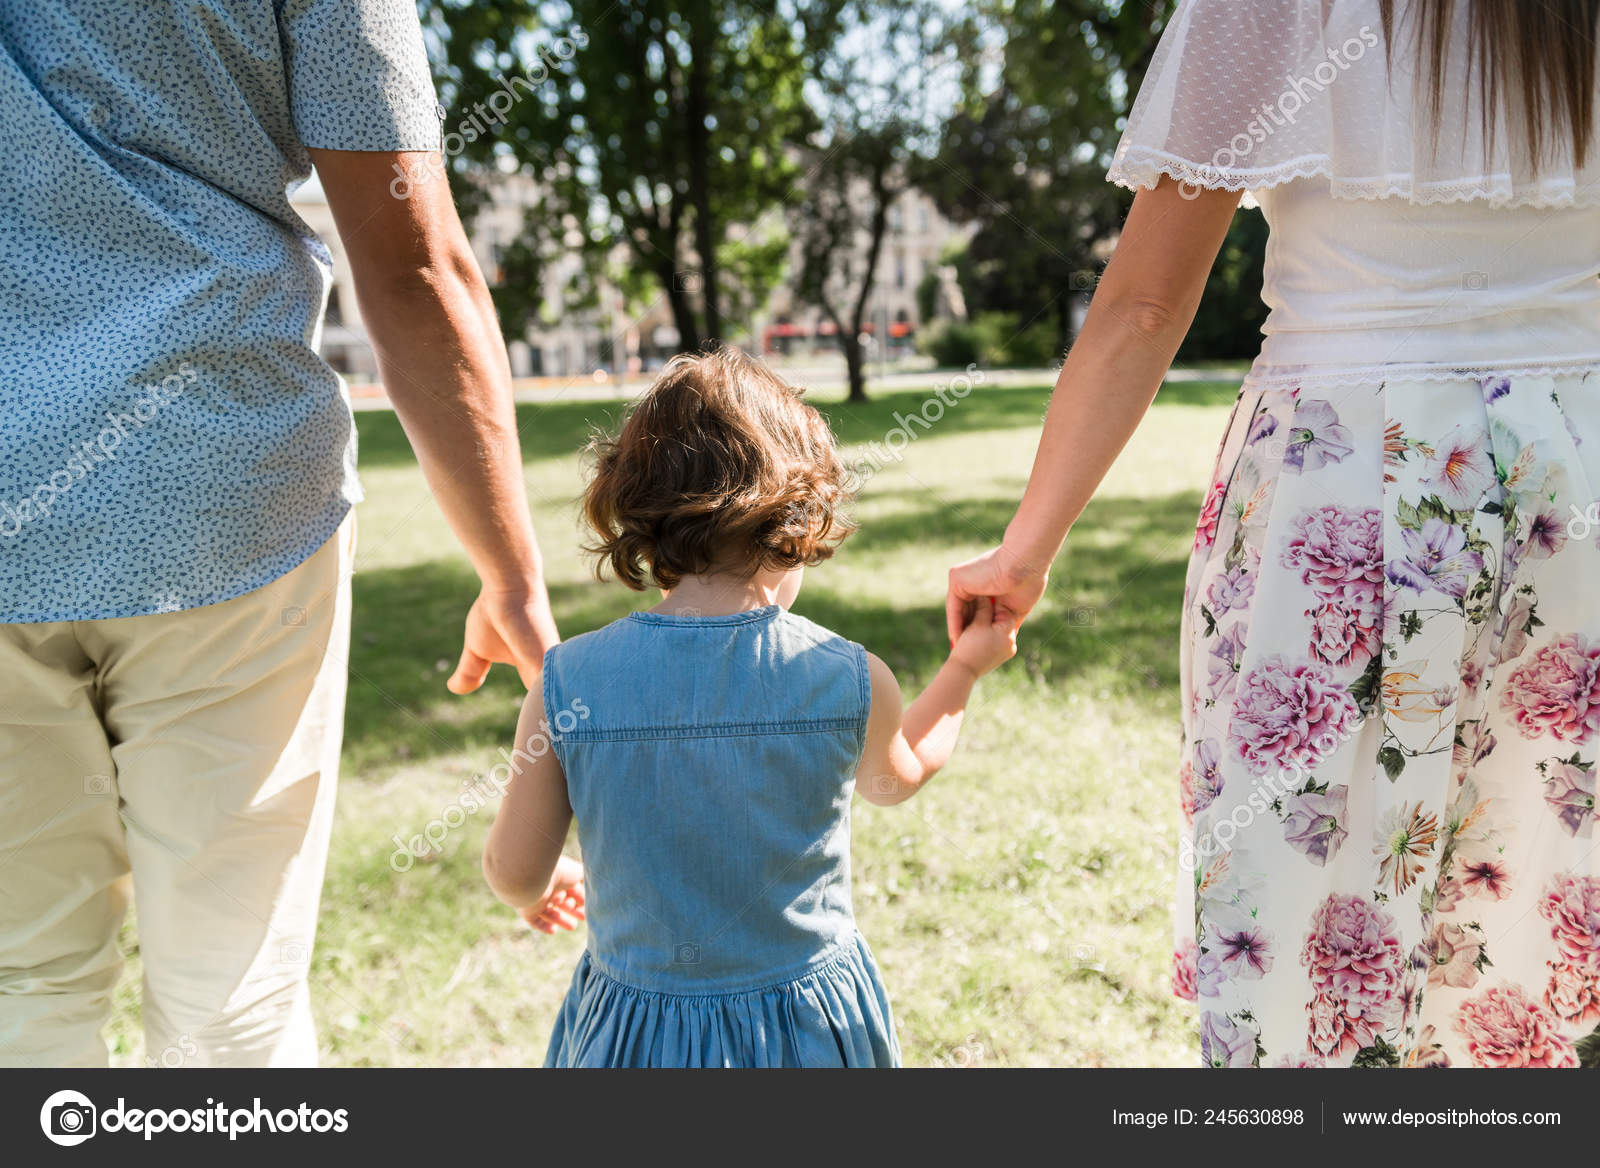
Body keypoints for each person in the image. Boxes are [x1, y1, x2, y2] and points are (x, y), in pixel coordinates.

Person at [948, 0, 1600, 1068]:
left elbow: (1143, 308)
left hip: (1348, 480)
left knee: (1315, 953)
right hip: (1571, 476)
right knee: (1515, 934)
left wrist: (1023, 551)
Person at [0, 0, 555, 1067]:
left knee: (24, 981)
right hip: (221, 494)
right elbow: (412, 265)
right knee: (233, 999)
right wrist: (512, 578)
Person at [481, 349, 1017, 1067]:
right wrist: (965, 666)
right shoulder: (847, 678)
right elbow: (901, 775)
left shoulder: (567, 682)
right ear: (797, 518)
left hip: (638, 1033)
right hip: (803, 1029)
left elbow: (515, 871)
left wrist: (544, 886)